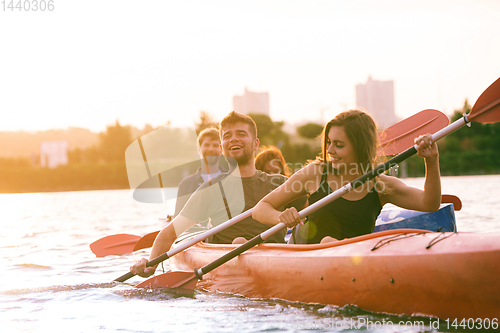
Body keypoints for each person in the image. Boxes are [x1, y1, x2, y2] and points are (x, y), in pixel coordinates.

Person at [130, 111, 306, 277]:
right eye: (227, 136)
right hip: (230, 266)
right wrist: (150, 264)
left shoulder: (280, 183)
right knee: (239, 241)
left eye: (241, 134)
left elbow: (313, 216)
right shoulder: (210, 189)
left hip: (276, 262)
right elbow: (170, 233)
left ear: (256, 144)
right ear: (222, 148)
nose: (234, 139)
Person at [252, 109, 441, 244]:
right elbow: (260, 209)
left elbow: (429, 204)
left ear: (360, 147)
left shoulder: (381, 186)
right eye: (328, 142)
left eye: (339, 145)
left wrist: (431, 161)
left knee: (332, 242)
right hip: (307, 253)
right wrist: (281, 217)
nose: (330, 150)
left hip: (353, 261)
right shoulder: (316, 174)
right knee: (327, 240)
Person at [170, 128, 225, 225]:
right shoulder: (185, 185)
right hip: (196, 237)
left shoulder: (231, 179)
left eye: (215, 145)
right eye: (207, 145)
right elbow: (178, 220)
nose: (211, 149)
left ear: (221, 150)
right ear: (199, 149)